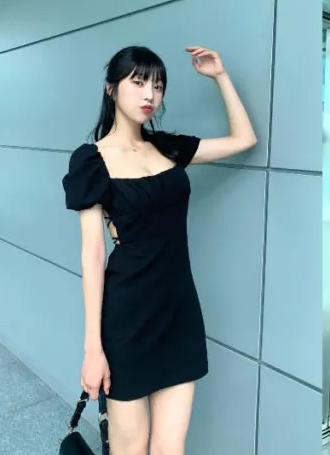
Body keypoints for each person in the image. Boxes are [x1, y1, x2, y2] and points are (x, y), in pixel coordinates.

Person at [61, 45, 257, 455]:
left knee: (171, 447)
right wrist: (93, 349)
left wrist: (220, 76)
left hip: (178, 311)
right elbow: (92, 256)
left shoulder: (168, 147)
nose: (150, 94)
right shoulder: (90, 161)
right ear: (111, 88)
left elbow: (244, 139)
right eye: (138, 82)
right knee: (130, 448)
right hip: (127, 318)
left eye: (158, 85)